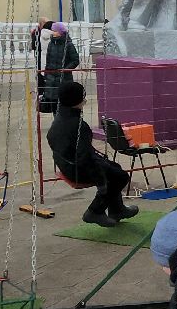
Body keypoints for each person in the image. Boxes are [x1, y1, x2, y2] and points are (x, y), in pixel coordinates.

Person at [47, 81, 139, 227]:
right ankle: (94, 211)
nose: (85, 99)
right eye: (82, 96)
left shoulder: (60, 119)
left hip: (66, 163)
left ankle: (117, 209)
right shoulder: (78, 126)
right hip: (77, 169)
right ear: (77, 100)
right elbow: (85, 158)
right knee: (120, 177)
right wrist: (101, 182)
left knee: (115, 167)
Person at [37, 22, 80, 112]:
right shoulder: (51, 44)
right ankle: (56, 123)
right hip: (51, 78)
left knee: (63, 102)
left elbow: (75, 60)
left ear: (60, 32)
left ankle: (64, 122)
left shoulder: (68, 44)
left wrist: (65, 70)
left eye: (54, 31)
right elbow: (48, 61)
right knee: (53, 104)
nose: (52, 32)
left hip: (63, 78)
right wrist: (46, 75)